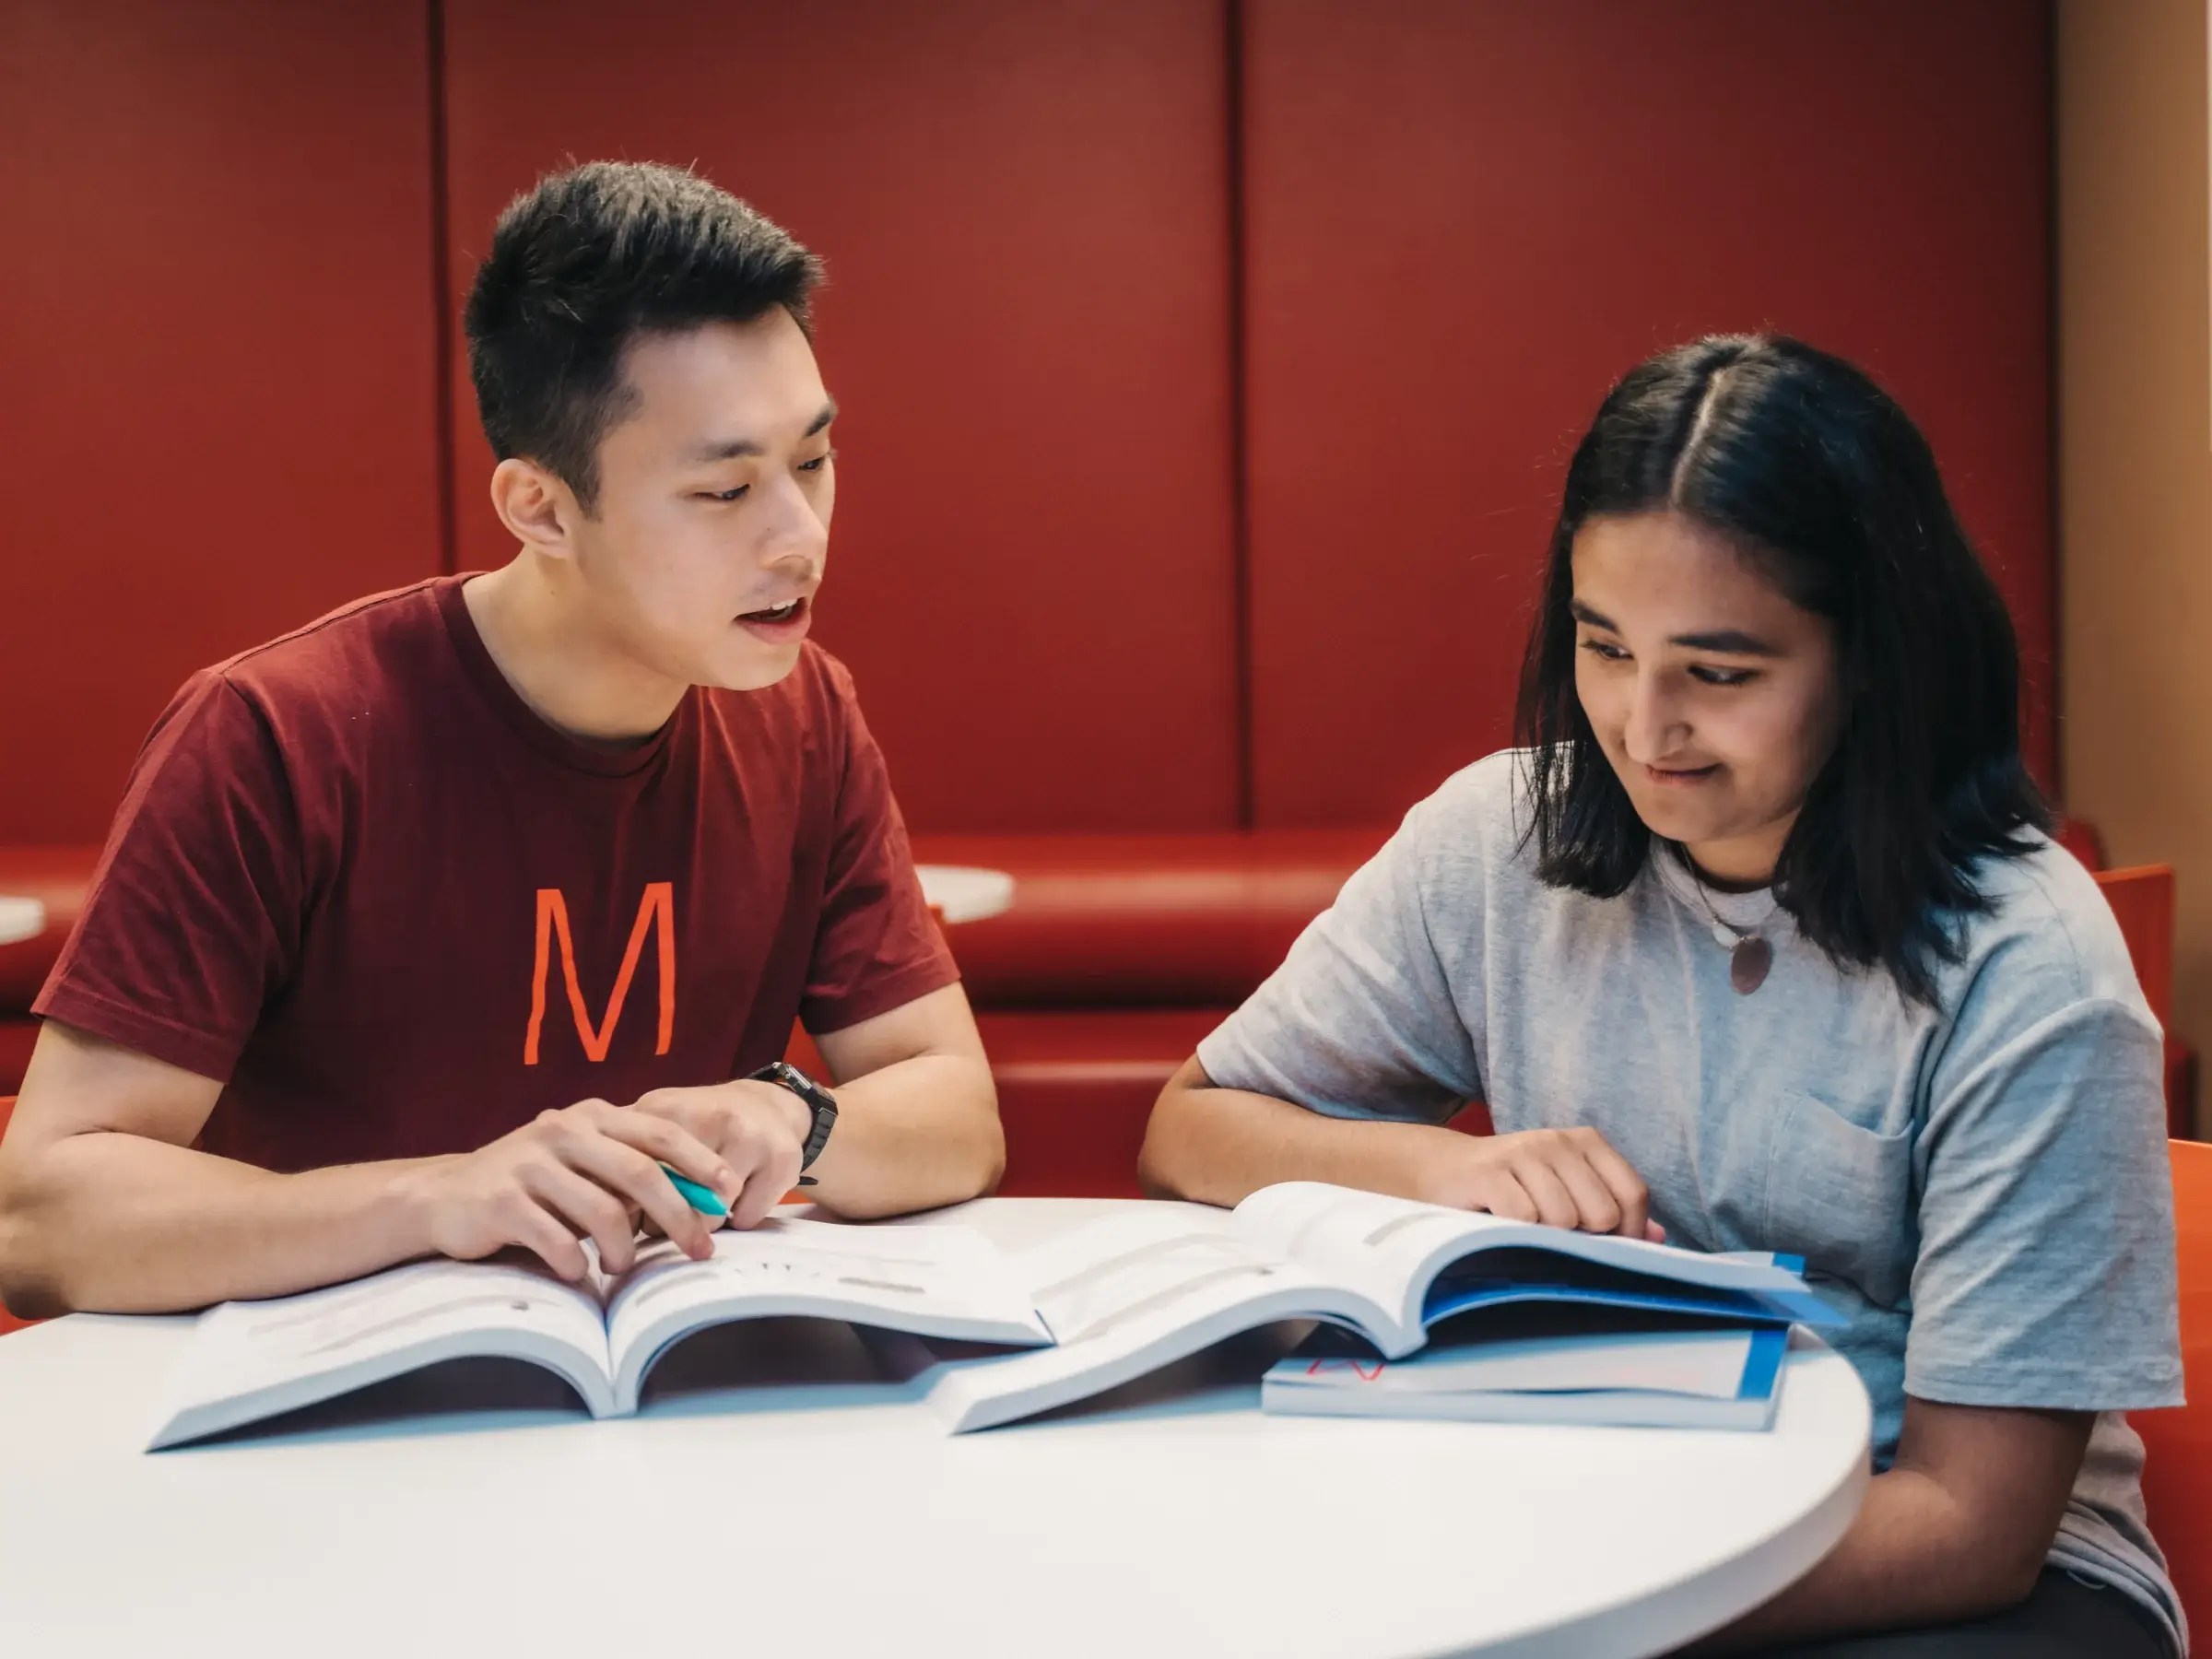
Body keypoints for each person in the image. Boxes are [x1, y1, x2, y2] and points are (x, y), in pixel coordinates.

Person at [1140, 335, 2184, 1655]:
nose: (1644, 727)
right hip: (1600, 1497)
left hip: (1942, 1569)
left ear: (1873, 657)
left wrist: (1569, 1604)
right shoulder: (1498, 841)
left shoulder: (2030, 964)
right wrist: (1437, 1169)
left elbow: (1973, 1526)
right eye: (1605, 648)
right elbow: (1190, 1130)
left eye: (1720, 673)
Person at [0, 161, 1003, 1318]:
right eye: (725, 491)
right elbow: (39, 1217)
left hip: (667, 1380)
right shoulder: (276, 735)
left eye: (813, 462)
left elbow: (957, 1112)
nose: (799, 538)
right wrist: (439, 1197)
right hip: (327, 1394)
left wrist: (793, 1114)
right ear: (540, 508)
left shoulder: (805, 714)